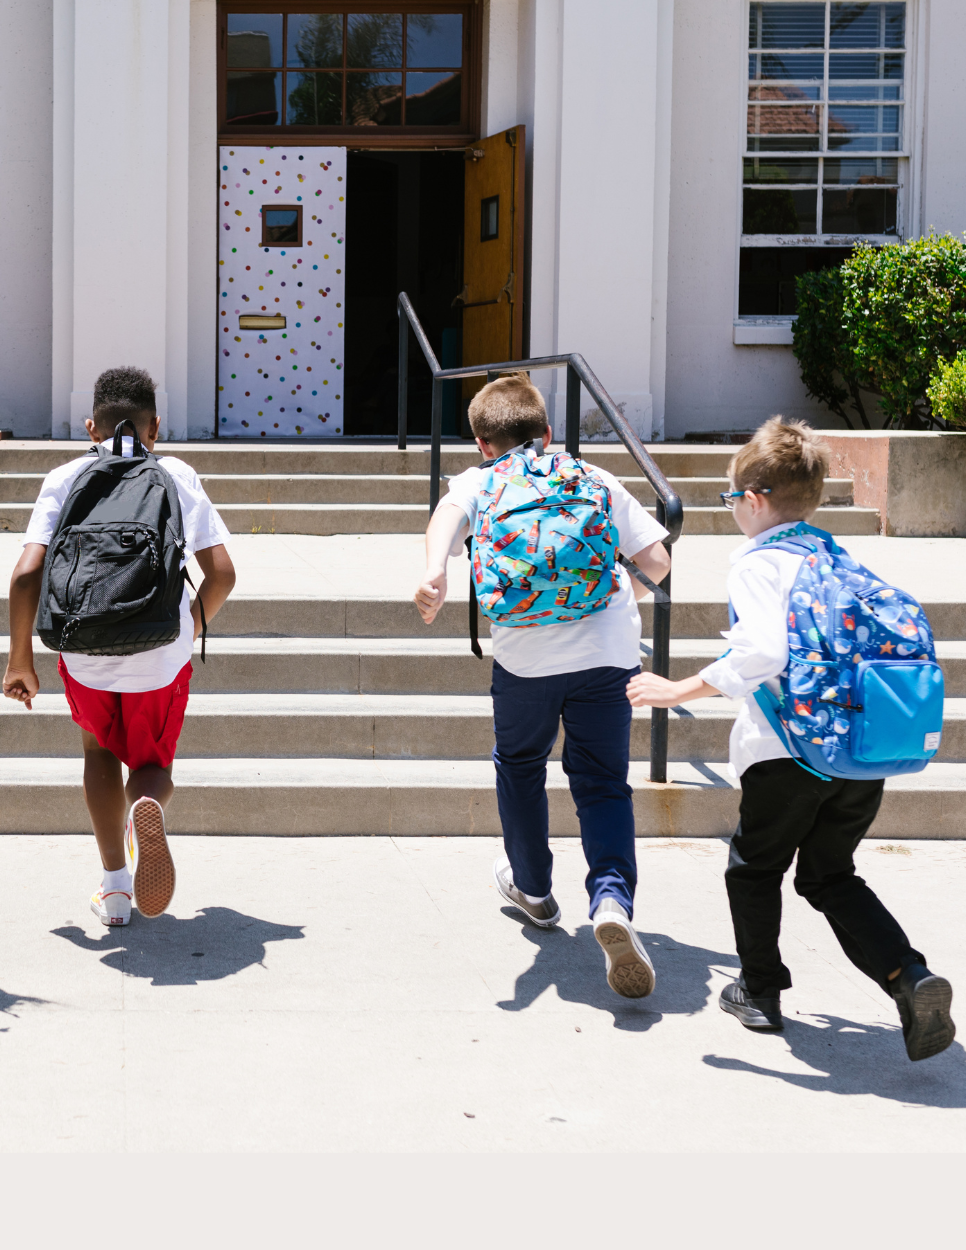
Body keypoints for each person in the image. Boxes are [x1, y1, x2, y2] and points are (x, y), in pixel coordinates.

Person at [626, 417, 955, 1061]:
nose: (731, 513)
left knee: (754, 870)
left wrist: (677, 689)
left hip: (786, 753)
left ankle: (759, 991)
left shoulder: (759, 563)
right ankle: (908, 977)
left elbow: (761, 652)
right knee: (831, 875)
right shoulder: (836, 557)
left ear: (753, 500)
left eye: (731, 501)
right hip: (859, 753)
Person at [414, 374, 671, 998]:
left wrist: (433, 575)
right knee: (603, 783)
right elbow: (658, 562)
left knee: (521, 765)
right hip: (608, 655)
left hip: (525, 660)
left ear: (481, 443)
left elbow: (444, 525)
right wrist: (617, 601)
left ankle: (532, 889)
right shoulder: (595, 478)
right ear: (548, 432)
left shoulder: (480, 481)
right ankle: (611, 901)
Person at [2, 367, 235, 927]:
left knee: (97, 753)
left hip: (83, 649)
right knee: (151, 764)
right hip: (160, 653)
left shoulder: (65, 476)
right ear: (156, 425)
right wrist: (190, 627)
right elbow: (222, 574)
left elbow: (25, 575)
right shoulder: (175, 473)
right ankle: (146, 804)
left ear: (90, 426)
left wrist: (19, 662)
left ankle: (114, 890)